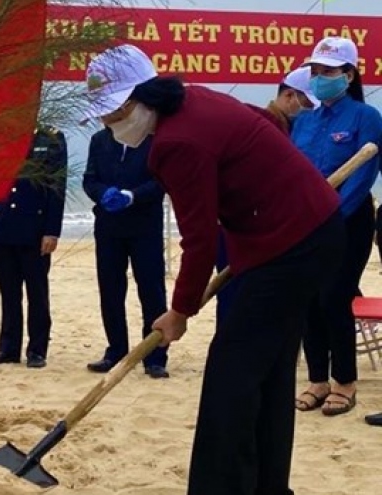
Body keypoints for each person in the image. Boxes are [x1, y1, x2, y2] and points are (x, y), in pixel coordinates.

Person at [85, 44, 344, 494]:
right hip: (304, 235)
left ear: (137, 100)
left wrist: (179, 311)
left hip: (292, 245)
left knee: (232, 374)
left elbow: (200, 238)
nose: (109, 124)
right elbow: (261, 126)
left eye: (111, 113)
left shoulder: (176, 143)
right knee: (269, 370)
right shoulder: (193, 99)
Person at [291, 37, 382, 417]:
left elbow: (362, 175)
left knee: (334, 297)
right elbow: (292, 174)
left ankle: (344, 381)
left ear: (348, 74)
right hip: (304, 222)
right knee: (308, 299)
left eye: (327, 71)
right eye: (315, 71)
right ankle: (317, 379)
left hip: (348, 219)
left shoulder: (366, 117)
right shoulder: (305, 121)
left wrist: (330, 215)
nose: (319, 78)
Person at [214, 67, 319, 331]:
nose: (308, 109)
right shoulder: (255, 121)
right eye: (305, 102)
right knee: (234, 296)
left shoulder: (293, 129)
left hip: (272, 229)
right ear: (288, 95)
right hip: (239, 227)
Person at [82, 127, 169, 378]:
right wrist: (102, 194)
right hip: (109, 226)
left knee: (151, 290)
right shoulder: (100, 139)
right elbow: (90, 179)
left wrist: (132, 196)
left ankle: (154, 356)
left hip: (145, 227)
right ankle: (116, 350)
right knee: (110, 290)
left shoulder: (153, 139)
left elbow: (161, 180)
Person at [0, 126, 67, 369]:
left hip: (34, 228)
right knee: (9, 293)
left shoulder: (50, 138)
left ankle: (37, 350)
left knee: (37, 292)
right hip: (3, 224)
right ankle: (8, 348)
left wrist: (52, 230)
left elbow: (57, 184)